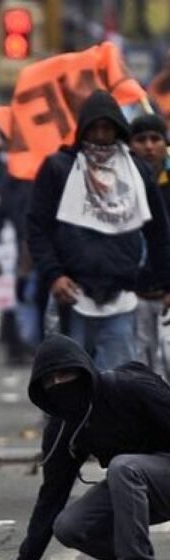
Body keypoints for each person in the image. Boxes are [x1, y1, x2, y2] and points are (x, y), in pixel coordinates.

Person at [0, 335, 170, 560]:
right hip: (139, 486)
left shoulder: (129, 387)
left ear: (83, 371)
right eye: (50, 380)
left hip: (156, 473)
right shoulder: (62, 427)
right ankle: (127, 557)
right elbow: (52, 496)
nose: (59, 383)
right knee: (70, 526)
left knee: (123, 467)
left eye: (65, 375)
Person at [27, 90, 170, 371]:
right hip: (72, 295)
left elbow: (159, 233)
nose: (101, 134)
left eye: (108, 127)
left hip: (122, 298)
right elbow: (37, 227)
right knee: (68, 386)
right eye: (95, 127)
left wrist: (167, 283)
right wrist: (55, 275)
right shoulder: (59, 168)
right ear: (83, 130)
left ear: (118, 129)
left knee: (116, 387)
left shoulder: (137, 171)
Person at [128, 114, 170, 377]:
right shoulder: (121, 183)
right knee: (140, 368)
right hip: (133, 294)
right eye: (141, 139)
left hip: (166, 294)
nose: (149, 146)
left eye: (155, 139)